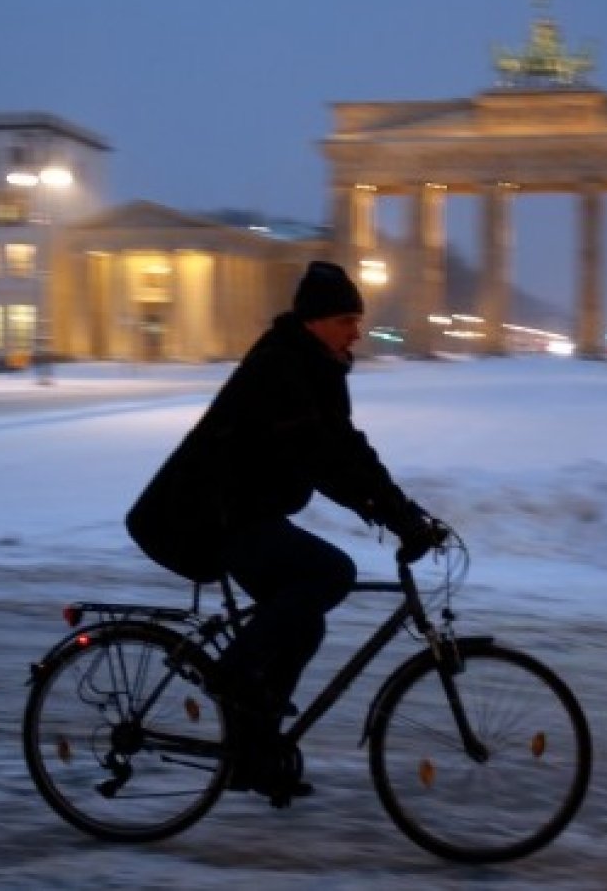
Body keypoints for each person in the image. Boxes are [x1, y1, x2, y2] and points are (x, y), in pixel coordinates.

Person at [126, 260, 443, 804]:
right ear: (315, 320)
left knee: (302, 625)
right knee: (331, 573)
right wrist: (396, 519)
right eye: (347, 320)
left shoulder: (315, 366)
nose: (357, 332)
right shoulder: (283, 368)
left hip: (243, 512)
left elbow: (347, 448)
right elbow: (321, 457)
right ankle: (230, 676)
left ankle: (254, 753)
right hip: (209, 515)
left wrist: (404, 511)